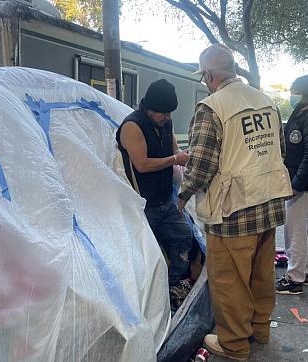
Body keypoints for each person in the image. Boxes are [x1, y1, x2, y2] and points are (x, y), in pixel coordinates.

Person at [177, 43, 292, 361]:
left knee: (229, 280)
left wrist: (183, 195)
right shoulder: (265, 101)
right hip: (267, 205)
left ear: (210, 75)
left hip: (233, 211)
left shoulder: (212, 107)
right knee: (260, 273)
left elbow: (200, 164)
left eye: (204, 78)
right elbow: (279, 150)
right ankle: (260, 329)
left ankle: (234, 344)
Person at [116, 79, 193, 312]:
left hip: (165, 199)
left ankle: (174, 283)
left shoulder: (164, 123)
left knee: (184, 236)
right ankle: (147, 298)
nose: (167, 117)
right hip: (143, 203)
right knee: (145, 254)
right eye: (163, 113)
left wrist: (179, 157)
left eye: (170, 113)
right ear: (150, 108)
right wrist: (174, 160)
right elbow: (142, 164)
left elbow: (173, 148)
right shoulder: (133, 126)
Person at [275, 74, 308, 295]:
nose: (291, 95)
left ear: (302, 92)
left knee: (294, 228)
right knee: (302, 227)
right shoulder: (306, 113)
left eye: (293, 90)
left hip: (303, 182)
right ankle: (305, 272)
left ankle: (294, 278)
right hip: (302, 179)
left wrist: (297, 183)